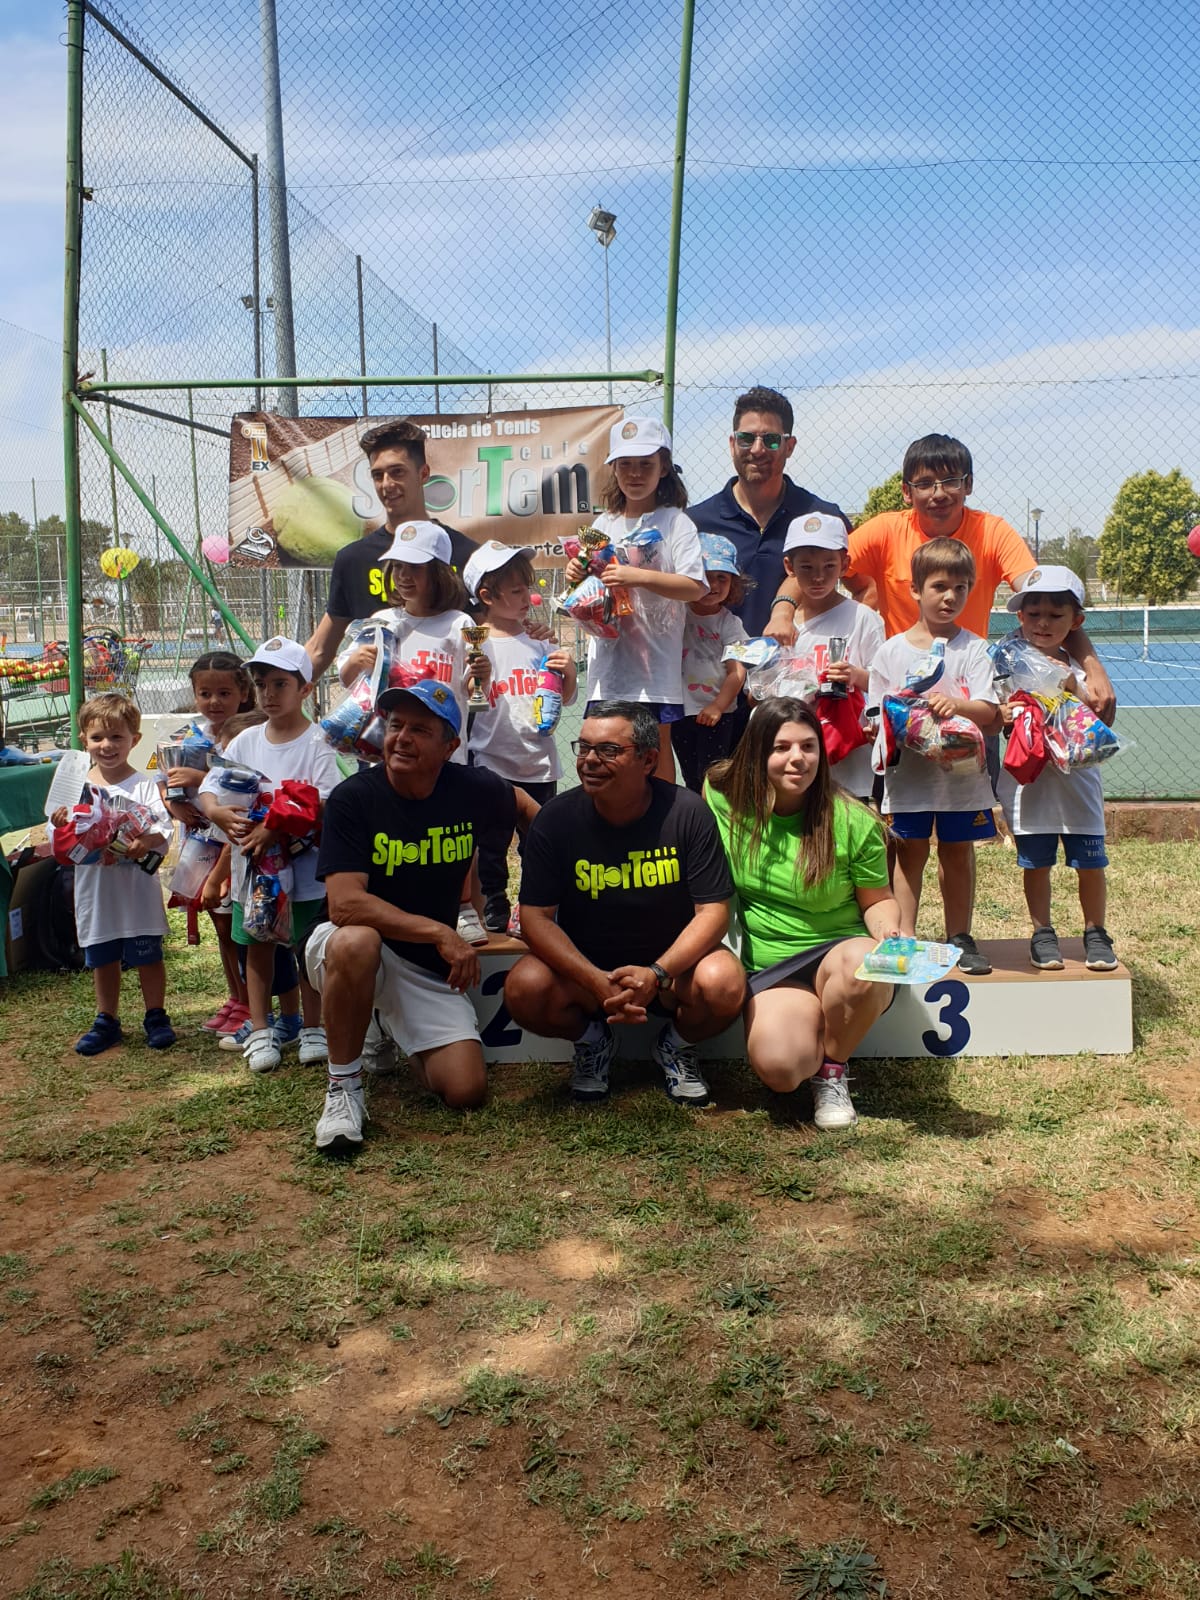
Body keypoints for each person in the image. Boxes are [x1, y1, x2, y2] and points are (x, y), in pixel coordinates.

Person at [304, 679, 538, 1153]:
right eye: (395, 726)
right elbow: (345, 906)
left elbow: (527, 809)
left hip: (422, 962)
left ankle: (382, 1021)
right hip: (349, 946)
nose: (402, 738)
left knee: (465, 1089)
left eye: (420, 730)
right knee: (359, 941)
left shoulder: (472, 788)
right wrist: (439, 932)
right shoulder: (354, 797)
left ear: (450, 746)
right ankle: (343, 1089)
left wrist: (545, 884)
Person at [770, 434, 1116, 721]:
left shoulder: (993, 532)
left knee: (973, 777)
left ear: (968, 485)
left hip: (970, 690)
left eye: (950, 481)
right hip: (900, 692)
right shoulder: (884, 531)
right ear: (907, 491)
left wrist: (1091, 665)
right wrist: (783, 610)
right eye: (924, 484)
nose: (938, 493)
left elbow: (1047, 600)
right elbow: (816, 565)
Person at [504, 701, 746, 1106]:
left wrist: (657, 973)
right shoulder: (556, 819)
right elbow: (535, 918)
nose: (589, 760)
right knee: (524, 988)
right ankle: (593, 1042)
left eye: (608, 750)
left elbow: (714, 912)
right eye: (584, 747)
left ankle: (675, 1045)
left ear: (649, 760)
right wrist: (594, 980)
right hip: (586, 972)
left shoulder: (688, 813)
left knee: (723, 982)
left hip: (672, 974)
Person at [704, 699, 900, 1129]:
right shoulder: (721, 797)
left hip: (841, 952)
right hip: (774, 967)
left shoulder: (854, 820)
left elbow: (877, 900)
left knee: (863, 964)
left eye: (809, 746)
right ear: (757, 753)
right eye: (782, 747)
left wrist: (889, 933)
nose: (798, 758)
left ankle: (832, 1071)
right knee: (781, 1070)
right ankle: (817, 1028)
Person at [337, 517, 492, 944]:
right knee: (393, 834)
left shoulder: (460, 624)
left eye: (415, 568)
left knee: (455, 834)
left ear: (439, 572)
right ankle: (391, 905)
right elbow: (347, 678)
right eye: (398, 567)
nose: (404, 576)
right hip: (388, 750)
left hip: (443, 753)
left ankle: (464, 907)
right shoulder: (381, 620)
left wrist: (480, 674)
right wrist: (357, 661)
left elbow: (476, 690)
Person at [197, 637, 342, 1074]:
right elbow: (210, 786)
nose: (269, 694)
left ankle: (312, 1027)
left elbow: (325, 799)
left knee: (306, 947)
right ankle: (261, 1030)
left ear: (306, 689)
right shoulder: (244, 741)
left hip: (306, 871)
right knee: (256, 948)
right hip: (255, 875)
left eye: (280, 684)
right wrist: (216, 812)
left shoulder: (319, 741)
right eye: (261, 685)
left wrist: (274, 826)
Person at [867, 538, 1002, 974]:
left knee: (957, 853)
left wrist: (955, 707)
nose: (950, 597)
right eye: (940, 586)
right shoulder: (891, 651)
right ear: (915, 589)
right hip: (909, 780)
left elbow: (989, 713)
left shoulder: (975, 649)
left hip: (962, 780)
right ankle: (904, 937)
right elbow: (876, 713)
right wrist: (900, 722)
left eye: (960, 588)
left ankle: (960, 936)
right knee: (909, 854)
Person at [567, 417, 706, 782]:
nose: (635, 473)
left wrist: (637, 576)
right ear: (613, 468)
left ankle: (666, 817)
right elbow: (590, 585)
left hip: (655, 668)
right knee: (603, 748)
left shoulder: (676, 522)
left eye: (646, 464)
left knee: (654, 748)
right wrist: (577, 575)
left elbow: (695, 586)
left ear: (664, 468)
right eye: (625, 464)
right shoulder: (604, 523)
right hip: (608, 668)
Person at [996, 566, 1119, 972]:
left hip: (1078, 783)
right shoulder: (1009, 660)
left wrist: (1074, 687)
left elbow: (1098, 720)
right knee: (1036, 863)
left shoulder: (1082, 668)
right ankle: (1042, 933)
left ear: (1076, 621)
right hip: (1030, 785)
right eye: (1034, 614)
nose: (1043, 623)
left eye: (1055, 615)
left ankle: (1096, 932)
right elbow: (999, 714)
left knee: (1091, 862)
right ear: (1020, 616)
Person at [49, 692, 175, 1057]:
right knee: (102, 957)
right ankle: (107, 1020)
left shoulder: (144, 785)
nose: (107, 745)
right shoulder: (74, 787)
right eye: (98, 737)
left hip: (137, 891)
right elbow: (60, 841)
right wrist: (61, 825)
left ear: (135, 739)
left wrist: (143, 842)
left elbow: (163, 828)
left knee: (147, 954)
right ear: (83, 740)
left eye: (117, 736)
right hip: (96, 891)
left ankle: (156, 1016)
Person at [304, 419, 478, 682]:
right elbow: (319, 650)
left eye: (397, 472)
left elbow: (491, 634)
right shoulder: (353, 559)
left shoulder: (464, 552)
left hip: (444, 703)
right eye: (378, 475)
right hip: (376, 706)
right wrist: (281, 692)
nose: (386, 484)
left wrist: (531, 636)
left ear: (423, 474)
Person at [462, 539, 578, 933]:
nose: (528, 598)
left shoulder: (540, 640)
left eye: (528, 588)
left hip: (539, 762)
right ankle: (495, 903)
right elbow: (471, 701)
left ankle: (534, 906)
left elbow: (564, 697)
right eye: (516, 591)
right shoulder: (475, 641)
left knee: (539, 841)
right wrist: (478, 678)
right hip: (492, 761)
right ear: (487, 597)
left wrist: (570, 672)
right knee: (491, 843)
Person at [690, 386, 850, 638]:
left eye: (771, 440)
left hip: (798, 662)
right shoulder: (694, 524)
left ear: (790, 446)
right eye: (746, 438)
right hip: (716, 663)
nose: (757, 449)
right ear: (732, 444)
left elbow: (865, 587)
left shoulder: (823, 518)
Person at [159, 650, 257, 1036]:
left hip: (233, 846)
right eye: (205, 693)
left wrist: (199, 779)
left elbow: (247, 783)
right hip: (199, 846)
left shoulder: (250, 733)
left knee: (238, 927)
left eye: (224, 693)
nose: (214, 702)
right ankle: (235, 996)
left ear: (243, 693)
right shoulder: (188, 736)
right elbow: (162, 778)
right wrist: (173, 805)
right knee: (219, 924)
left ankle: (251, 1001)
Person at [775, 513, 884, 802]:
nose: (818, 576)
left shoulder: (863, 618)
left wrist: (855, 675)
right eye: (807, 567)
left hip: (849, 763)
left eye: (829, 566)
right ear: (789, 567)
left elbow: (885, 684)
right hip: (795, 763)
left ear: (845, 565)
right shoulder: (784, 626)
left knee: (848, 824)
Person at [673, 533, 749, 793]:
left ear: (733, 584)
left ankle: (714, 817)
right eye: (704, 576)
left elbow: (736, 672)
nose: (713, 585)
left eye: (722, 578)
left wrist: (718, 706)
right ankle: (696, 816)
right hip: (681, 711)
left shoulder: (729, 623)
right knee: (690, 776)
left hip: (718, 714)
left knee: (713, 778)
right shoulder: (676, 612)